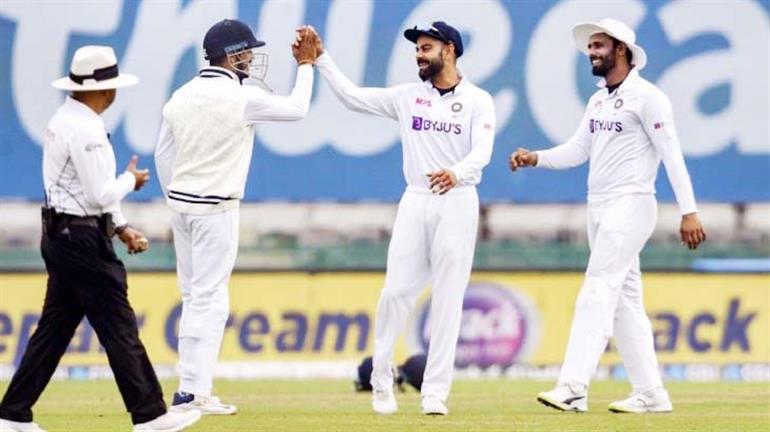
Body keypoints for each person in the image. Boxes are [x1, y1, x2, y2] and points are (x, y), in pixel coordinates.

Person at [509, 18, 707, 414]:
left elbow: (672, 155)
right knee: (625, 305)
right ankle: (651, 393)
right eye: (590, 46)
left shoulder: (648, 97)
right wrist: (536, 158)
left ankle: (573, 386)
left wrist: (689, 211)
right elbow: (578, 149)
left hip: (631, 203)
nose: (591, 52)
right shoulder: (598, 100)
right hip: (598, 206)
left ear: (621, 50)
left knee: (597, 288)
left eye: (599, 45)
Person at [0, 46, 201, 432]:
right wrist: (131, 180)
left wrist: (121, 227)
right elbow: (99, 194)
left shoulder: (65, 118)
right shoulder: (86, 129)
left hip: (62, 235)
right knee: (119, 326)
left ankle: (12, 414)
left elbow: (84, 193)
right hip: (80, 241)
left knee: (54, 331)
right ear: (105, 89)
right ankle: (150, 415)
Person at [299, 21, 495, 415]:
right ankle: (381, 380)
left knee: (448, 300)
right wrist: (322, 59)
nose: (419, 55)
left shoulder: (478, 100)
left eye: (426, 48)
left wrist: (456, 172)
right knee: (394, 293)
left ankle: (434, 394)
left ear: (449, 50)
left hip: (458, 200)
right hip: (417, 199)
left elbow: (483, 152)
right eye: (417, 49)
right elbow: (354, 98)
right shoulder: (408, 97)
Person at [153, 19, 317, 415]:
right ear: (233, 55)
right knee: (210, 299)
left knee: (194, 296)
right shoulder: (242, 97)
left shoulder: (180, 96)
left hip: (182, 207)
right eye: (248, 52)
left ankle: (190, 387)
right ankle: (193, 391)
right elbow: (297, 109)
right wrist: (306, 65)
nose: (251, 59)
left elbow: (162, 156)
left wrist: (177, 197)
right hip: (216, 208)